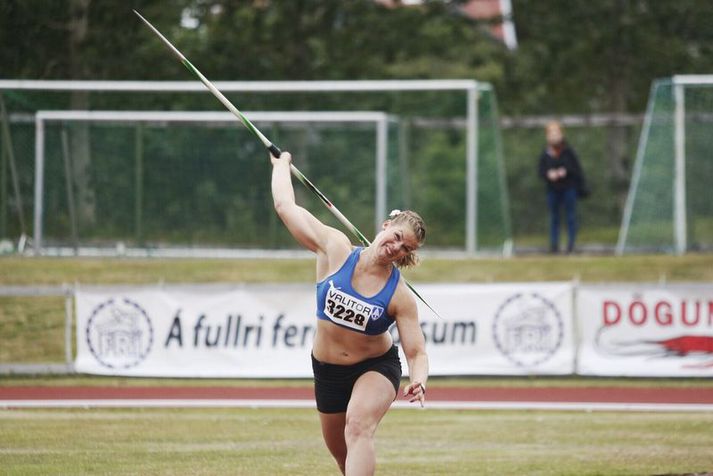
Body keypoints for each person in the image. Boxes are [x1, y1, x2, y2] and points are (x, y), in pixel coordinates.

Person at [270, 150, 429, 476]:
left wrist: (419, 379)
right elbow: (285, 207)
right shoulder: (335, 249)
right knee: (343, 459)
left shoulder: (399, 295)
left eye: (406, 249)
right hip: (327, 371)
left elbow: (416, 351)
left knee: (358, 427)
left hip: (375, 368)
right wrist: (281, 165)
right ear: (386, 226)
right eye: (397, 237)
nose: (397, 248)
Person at [538, 120, 586, 254]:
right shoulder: (545, 153)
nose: (554, 135)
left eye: (556, 132)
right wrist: (549, 174)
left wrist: (564, 171)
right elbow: (541, 171)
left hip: (568, 189)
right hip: (553, 190)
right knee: (554, 218)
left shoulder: (568, 151)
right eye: (551, 132)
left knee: (570, 217)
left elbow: (576, 169)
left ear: (561, 134)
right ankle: (554, 246)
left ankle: (571, 245)